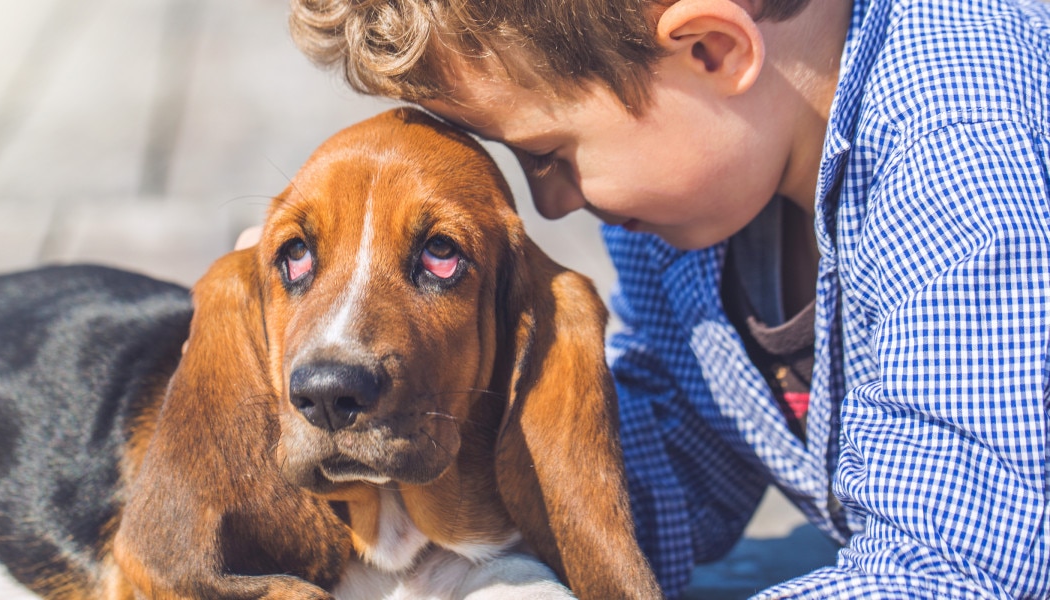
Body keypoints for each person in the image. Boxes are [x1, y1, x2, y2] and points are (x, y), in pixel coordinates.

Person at [276, 0, 1050, 597]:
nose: (552, 204)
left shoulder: (965, 169)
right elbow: (675, 463)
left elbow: (963, 567)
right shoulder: (698, 193)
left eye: (549, 154)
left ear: (712, 48)